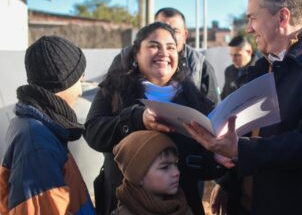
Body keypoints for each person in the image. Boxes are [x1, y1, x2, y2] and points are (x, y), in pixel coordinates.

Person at [184, 0, 302, 214]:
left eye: (253, 18)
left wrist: (239, 151)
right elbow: (248, 134)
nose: (248, 28)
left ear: (282, 17)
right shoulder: (261, 67)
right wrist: (229, 180)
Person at [84, 22, 224, 215]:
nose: (163, 53)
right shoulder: (114, 89)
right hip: (124, 204)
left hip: (181, 206)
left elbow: (206, 163)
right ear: (136, 54)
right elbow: (93, 132)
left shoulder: (195, 99)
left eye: (170, 47)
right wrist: (136, 119)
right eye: (153, 46)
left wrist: (218, 158)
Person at [0, 36, 94, 214]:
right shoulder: (37, 144)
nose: (81, 90)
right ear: (62, 82)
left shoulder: (36, 126)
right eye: (78, 81)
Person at [112, 130, 193, 215]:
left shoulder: (183, 208)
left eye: (175, 164)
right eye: (165, 167)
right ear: (139, 176)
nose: (177, 172)